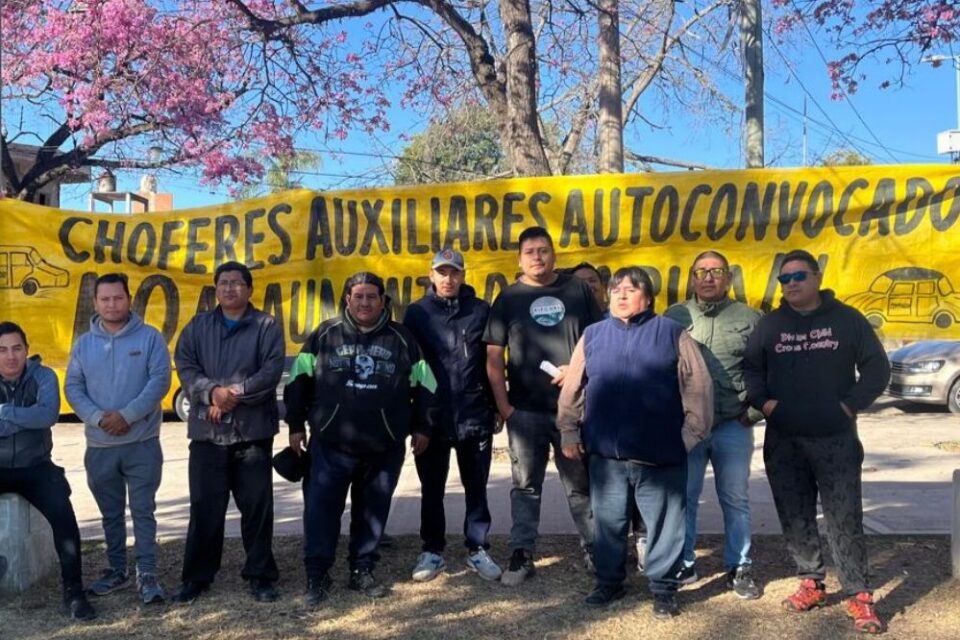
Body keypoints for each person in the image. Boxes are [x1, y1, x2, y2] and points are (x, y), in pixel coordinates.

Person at [744, 249, 891, 635]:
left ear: (817, 277)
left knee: (844, 516)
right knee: (795, 514)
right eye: (785, 279)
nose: (791, 284)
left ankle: (859, 594)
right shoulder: (770, 325)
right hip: (785, 439)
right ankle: (811, 580)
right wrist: (766, 403)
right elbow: (752, 370)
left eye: (799, 276)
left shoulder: (847, 320)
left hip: (835, 438)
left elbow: (877, 367)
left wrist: (849, 406)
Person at [557, 266, 712, 617]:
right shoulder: (593, 335)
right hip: (606, 457)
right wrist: (568, 429)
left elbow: (698, 388)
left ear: (648, 297)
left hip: (660, 455)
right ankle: (609, 583)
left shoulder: (673, 334)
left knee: (664, 524)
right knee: (608, 523)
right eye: (616, 290)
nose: (621, 295)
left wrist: (688, 437)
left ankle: (662, 588)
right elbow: (573, 387)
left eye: (631, 289)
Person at [284, 271, 438, 605]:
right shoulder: (324, 335)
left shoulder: (402, 339)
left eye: (372, 296)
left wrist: (423, 427)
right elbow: (297, 380)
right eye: (358, 296)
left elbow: (426, 386)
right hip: (330, 445)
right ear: (347, 299)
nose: (365, 302)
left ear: (384, 300)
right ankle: (317, 575)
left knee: (372, 511)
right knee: (321, 512)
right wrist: (295, 425)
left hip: (384, 447)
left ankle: (362, 569)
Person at [484, 226, 603, 586]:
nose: (537, 257)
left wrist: (576, 369)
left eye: (543, 250)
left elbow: (600, 340)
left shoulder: (578, 290)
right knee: (525, 488)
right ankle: (522, 555)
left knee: (580, 487)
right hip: (525, 413)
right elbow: (492, 356)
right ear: (519, 259)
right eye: (530, 251)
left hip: (574, 412)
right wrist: (505, 407)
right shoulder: (508, 298)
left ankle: (595, 549)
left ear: (554, 254)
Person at [172, 261, 286, 604]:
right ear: (216, 289)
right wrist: (211, 393)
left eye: (237, 283)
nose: (230, 288)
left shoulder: (266, 326)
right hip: (208, 435)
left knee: (257, 509)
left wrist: (231, 394)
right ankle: (197, 578)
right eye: (223, 283)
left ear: (249, 289)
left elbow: (270, 372)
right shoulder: (198, 326)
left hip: (252, 435)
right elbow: (186, 365)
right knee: (205, 508)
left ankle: (260, 575)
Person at [65, 273, 172, 605]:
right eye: (105, 299)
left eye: (118, 298)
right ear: (95, 302)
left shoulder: (151, 338)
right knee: (110, 513)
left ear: (129, 300)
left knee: (143, 510)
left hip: (142, 442)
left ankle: (148, 575)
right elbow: (73, 388)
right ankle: (117, 570)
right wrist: (98, 418)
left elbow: (159, 381)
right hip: (99, 447)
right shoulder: (84, 344)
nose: (112, 304)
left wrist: (127, 415)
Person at [663, 251, 763, 599]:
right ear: (692, 278)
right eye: (701, 272)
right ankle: (685, 562)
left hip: (732, 424)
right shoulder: (674, 316)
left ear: (729, 277)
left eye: (716, 271)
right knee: (684, 498)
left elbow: (768, 370)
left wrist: (754, 413)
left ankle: (740, 566)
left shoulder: (750, 318)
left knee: (735, 498)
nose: (708, 277)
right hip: (689, 427)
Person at [403, 249, 502, 582]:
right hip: (431, 420)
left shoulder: (480, 310)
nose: (448, 279)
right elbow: (410, 369)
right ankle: (432, 551)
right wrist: (417, 420)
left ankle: (477, 548)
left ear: (463, 275)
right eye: (441, 272)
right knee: (432, 489)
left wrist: (495, 407)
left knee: (477, 488)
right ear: (431, 275)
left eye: (454, 272)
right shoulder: (416, 314)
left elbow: (491, 362)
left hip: (474, 415)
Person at [0, 321, 96, 620]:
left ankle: (74, 591)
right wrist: (24, 417)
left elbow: (47, 415)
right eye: (2, 350)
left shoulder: (44, 376)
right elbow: (35, 415)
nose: (10, 356)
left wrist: (4, 413)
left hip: (36, 466)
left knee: (64, 518)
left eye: (17, 348)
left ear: (27, 350)